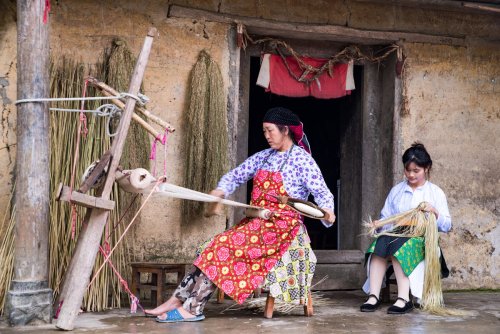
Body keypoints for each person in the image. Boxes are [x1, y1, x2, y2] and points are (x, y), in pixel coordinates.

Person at [146, 107, 336, 322]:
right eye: (264, 131)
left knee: (221, 248)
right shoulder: (263, 157)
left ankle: (193, 308)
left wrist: (327, 211)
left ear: (285, 130)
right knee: (211, 246)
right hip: (257, 222)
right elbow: (236, 175)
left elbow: (322, 192)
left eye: (270, 130)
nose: (266, 136)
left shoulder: (303, 161)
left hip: (281, 228)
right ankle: (177, 300)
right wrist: (221, 190)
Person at [360, 142, 451, 314]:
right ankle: (373, 296)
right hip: (396, 233)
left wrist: (435, 213)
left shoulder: (435, 192)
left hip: (421, 238)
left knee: (398, 248)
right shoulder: (397, 191)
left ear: (426, 168)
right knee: (377, 248)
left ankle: (403, 299)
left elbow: (447, 225)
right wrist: (379, 225)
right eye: (407, 170)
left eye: (416, 171)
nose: (411, 174)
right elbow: (387, 216)